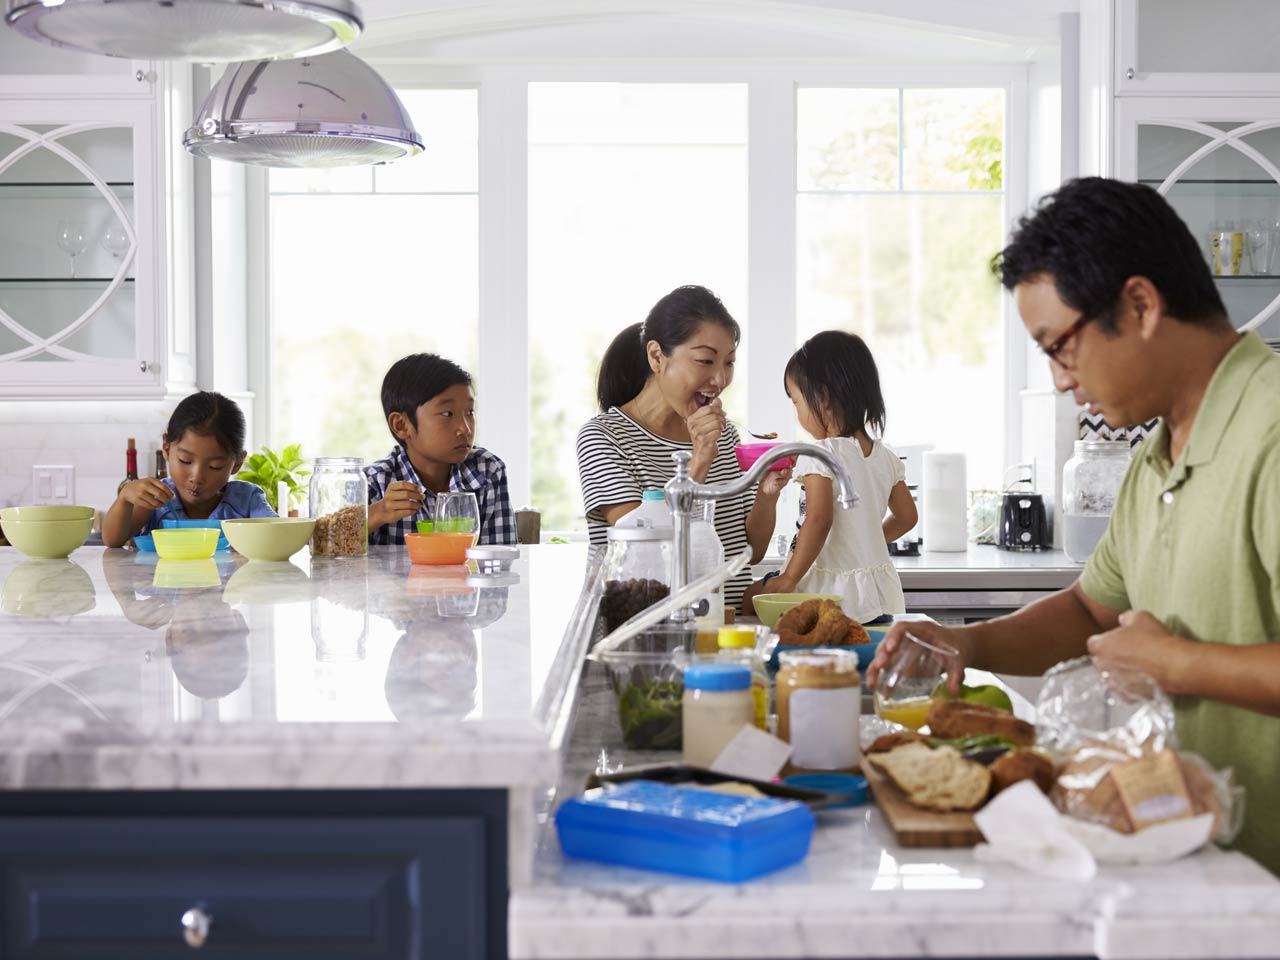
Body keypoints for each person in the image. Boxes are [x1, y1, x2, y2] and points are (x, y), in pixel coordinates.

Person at [866, 176, 1280, 876]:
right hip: (1196, 864)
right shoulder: (1154, 456)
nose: (1061, 379)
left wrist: (1174, 664)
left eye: (1061, 346)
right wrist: (963, 643)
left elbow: (1148, 649)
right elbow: (1092, 608)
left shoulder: (1269, 428)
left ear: (1141, 305)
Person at [575, 285, 789, 608]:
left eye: (729, 363)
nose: (720, 380)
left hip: (724, 629)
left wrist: (767, 493)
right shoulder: (604, 437)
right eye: (705, 360)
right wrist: (699, 463)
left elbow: (749, 552)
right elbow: (643, 557)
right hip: (647, 633)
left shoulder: (725, 436)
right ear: (657, 357)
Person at [741, 330, 916, 622]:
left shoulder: (819, 453)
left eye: (796, 401)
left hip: (827, 593)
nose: (796, 411)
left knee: (747, 599)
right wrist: (865, 540)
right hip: (877, 597)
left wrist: (788, 578)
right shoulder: (885, 457)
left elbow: (819, 519)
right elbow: (908, 517)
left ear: (821, 397)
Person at [365, 353, 515, 546]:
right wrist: (378, 513)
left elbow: (499, 561)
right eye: (447, 414)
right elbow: (330, 557)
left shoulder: (486, 471)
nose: (465, 429)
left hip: (468, 577)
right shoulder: (374, 482)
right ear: (401, 425)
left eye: (470, 412)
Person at [102, 391, 274, 547]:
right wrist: (124, 498)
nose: (197, 477)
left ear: (236, 463)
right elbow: (113, 540)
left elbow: (278, 533)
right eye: (185, 461)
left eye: (215, 466)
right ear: (167, 448)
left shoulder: (247, 501)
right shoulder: (156, 499)